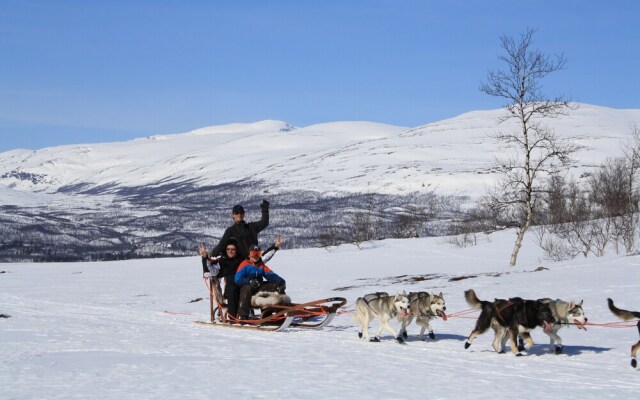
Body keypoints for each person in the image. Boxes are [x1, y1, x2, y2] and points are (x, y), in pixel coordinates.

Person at [235, 240, 286, 320]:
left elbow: (270, 275)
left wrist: (281, 282)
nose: (255, 256)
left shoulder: (261, 265)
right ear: (249, 255)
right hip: (247, 288)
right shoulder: (244, 264)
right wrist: (249, 281)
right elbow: (237, 279)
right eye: (253, 254)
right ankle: (243, 315)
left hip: (259, 287)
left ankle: (279, 312)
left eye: (257, 254)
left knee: (275, 286)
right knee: (246, 289)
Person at [203, 200, 270, 260]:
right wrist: (211, 254)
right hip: (241, 262)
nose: (239, 214)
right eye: (237, 213)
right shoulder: (230, 231)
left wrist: (265, 208)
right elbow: (222, 245)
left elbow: (265, 222)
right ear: (233, 216)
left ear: (244, 214)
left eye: (241, 212)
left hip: (255, 259)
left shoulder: (251, 227)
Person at [199, 238, 244, 319]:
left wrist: (275, 247)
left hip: (242, 287)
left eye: (233, 249)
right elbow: (210, 272)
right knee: (230, 280)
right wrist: (205, 257)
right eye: (228, 249)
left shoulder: (242, 260)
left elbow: (257, 261)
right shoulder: (221, 261)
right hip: (229, 289)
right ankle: (233, 316)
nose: (230, 251)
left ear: (237, 250)